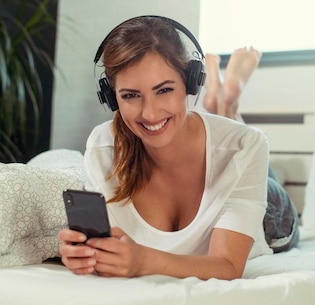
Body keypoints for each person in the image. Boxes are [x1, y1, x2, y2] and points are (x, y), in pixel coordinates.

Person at [58, 16, 298, 280]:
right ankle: (226, 105)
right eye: (130, 95)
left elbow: (228, 266)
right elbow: (107, 249)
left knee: (257, 173)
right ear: (111, 97)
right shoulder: (103, 147)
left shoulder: (245, 146)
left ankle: (229, 107)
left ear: (190, 83)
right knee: (234, 146)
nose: (149, 114)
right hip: (226, 147)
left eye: (164, 90)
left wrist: (144, 261)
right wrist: (86, 254)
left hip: (272, 214)